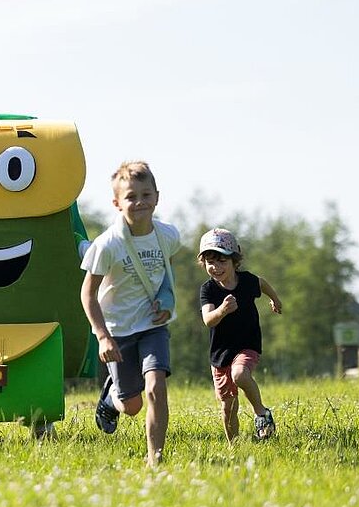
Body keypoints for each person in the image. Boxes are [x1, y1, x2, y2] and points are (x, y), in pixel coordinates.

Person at [80, 161, 180, 467]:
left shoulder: (168, 235)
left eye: (146, 195)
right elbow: (87, 294)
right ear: (116, 203)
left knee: (156, 387)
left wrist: (165, 299)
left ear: (157, 197)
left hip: (152, 327)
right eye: (131, 197)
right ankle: (112, 398)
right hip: (118, 330)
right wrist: (102, 337)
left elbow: (165, 271)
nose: (140, 202)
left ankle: (155, 459)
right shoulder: (106, 244)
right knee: (131, 405)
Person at [197, 228, 282, 442]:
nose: (215, 268)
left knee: (240, 374)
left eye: (222, 261)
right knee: (228, 407)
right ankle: (234, 447)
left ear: (235, 261)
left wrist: (275, 299)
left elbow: (262, 283)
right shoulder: (208, 290)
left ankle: (261, 413)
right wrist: (222, 311)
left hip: (247, 344)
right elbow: (208, 320)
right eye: (210, 262)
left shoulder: (247, 282)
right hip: (220, 353)